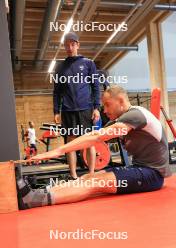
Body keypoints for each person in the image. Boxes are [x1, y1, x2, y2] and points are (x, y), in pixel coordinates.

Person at [16, 85, 171, 210]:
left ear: (121, 101)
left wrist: (57, 151)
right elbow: (94, 135)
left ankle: (35, 200)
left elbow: (96, 137)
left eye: (107, 105)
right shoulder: (123, 119)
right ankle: (38, 194)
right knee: (89, 177)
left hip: (152, 175)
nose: (104, 110)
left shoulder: (136, 115)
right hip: (139, 169)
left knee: (95, 182)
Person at [53, 32, 100, 179]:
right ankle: (73, 176)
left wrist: (96, 108)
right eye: (66, 45)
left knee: (89, 142)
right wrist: (56, 111)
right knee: (71, 143)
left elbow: (95, 86)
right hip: (68, 110)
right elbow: (57, 92)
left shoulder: (88, 63)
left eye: (72, 44)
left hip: (86, 109)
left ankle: (91, 174)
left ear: (78, 45)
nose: (69, 47)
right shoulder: (60, 67)